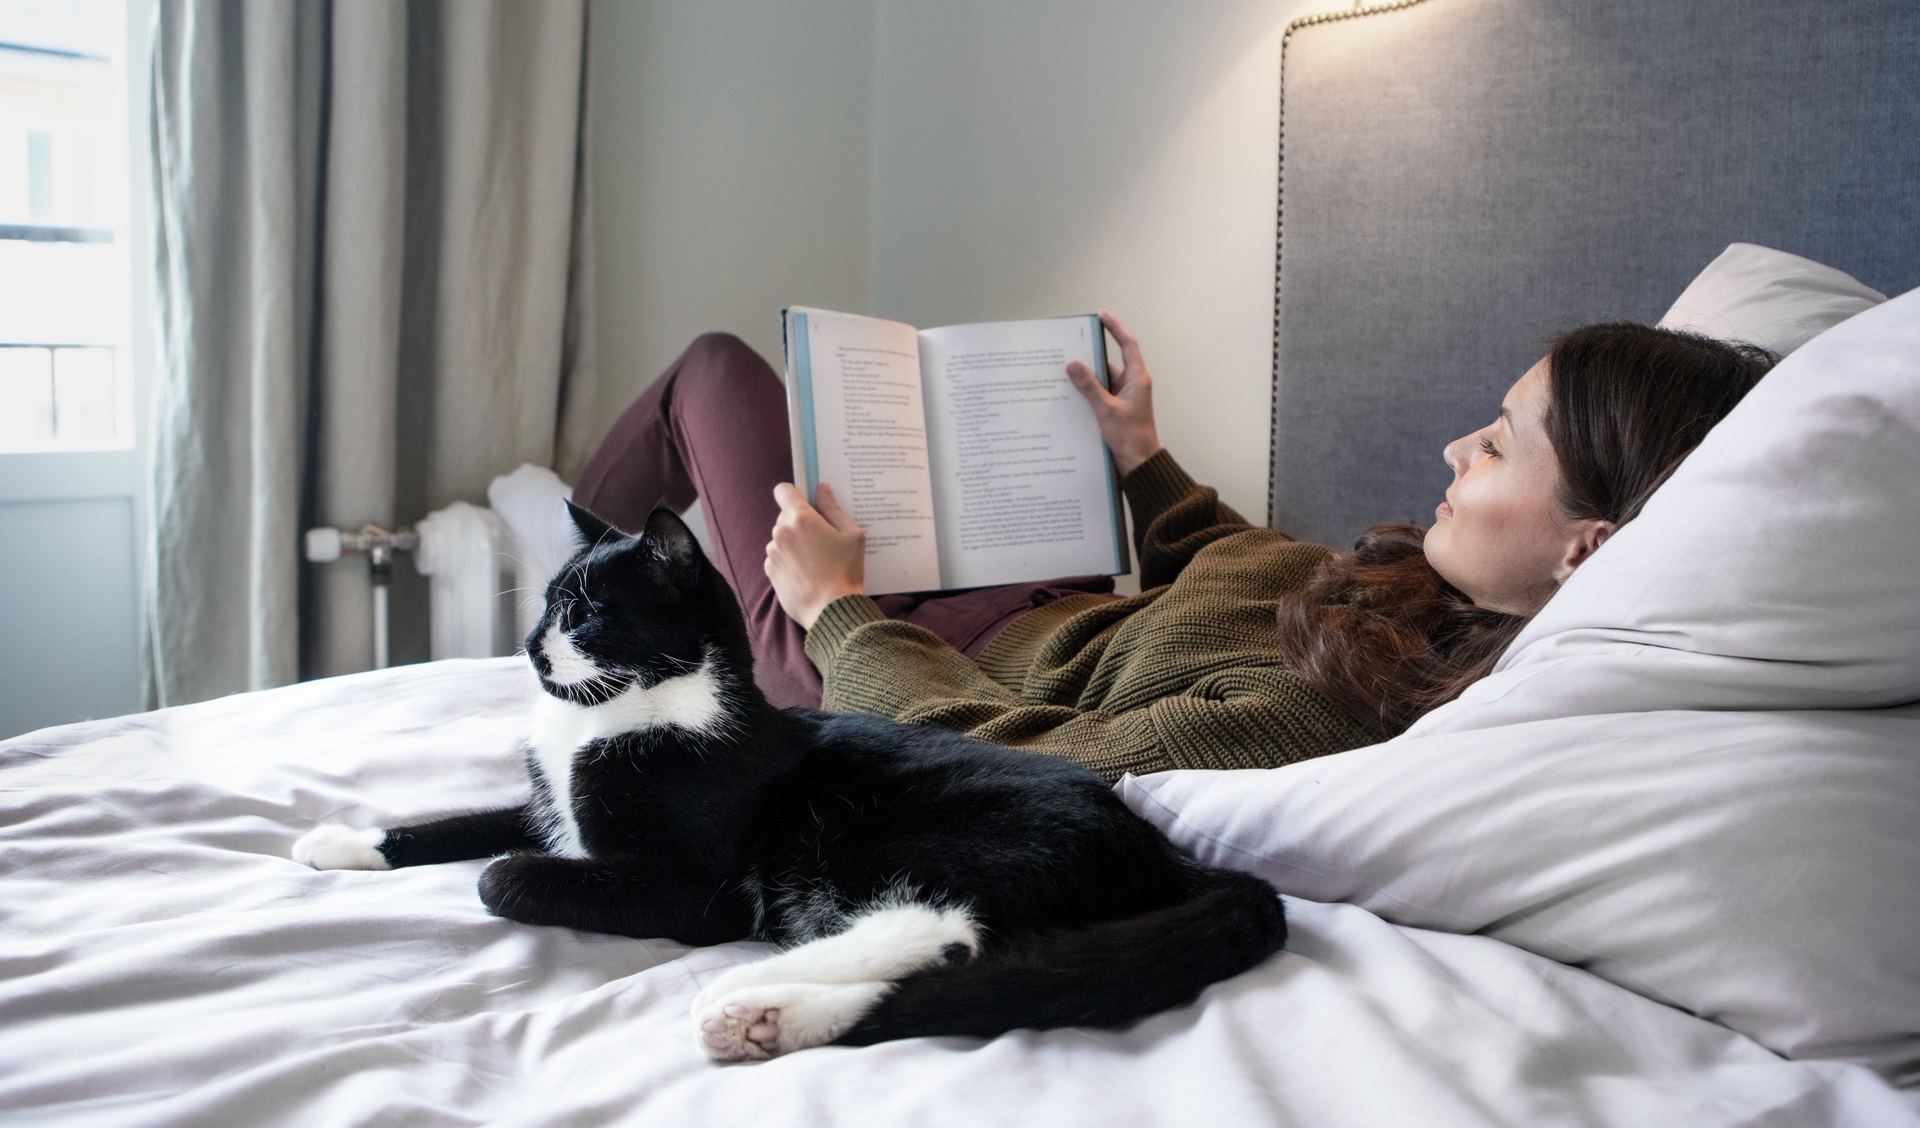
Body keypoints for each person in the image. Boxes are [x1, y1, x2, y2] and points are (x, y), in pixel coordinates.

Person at [572, 311, 1773, 781]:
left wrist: (834, 609)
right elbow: (1251, 571)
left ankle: (583, 545)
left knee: (716, 373)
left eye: (1503, 446)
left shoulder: (1351, 711)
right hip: (1043, 605)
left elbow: (1036, 758)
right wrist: (1142, 455)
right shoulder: (1425, 590)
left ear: (1586, 549)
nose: (1460, 445)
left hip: (897, 667)